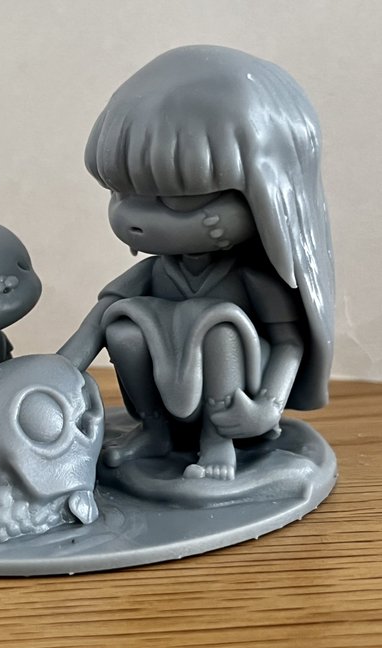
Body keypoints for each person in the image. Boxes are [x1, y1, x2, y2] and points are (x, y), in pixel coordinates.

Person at [59, 45, 334, 480]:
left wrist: (268, 406)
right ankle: (155, 431)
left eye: (180, 200)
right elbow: (97, 321)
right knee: (125, 329)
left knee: (220, 330)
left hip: (236, 385)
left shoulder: (251, 277)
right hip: (165, 379)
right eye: (122, 194)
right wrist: (56, 370)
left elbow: (288, 343)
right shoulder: (156, 271)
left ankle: (216, 441)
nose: (138, 219)